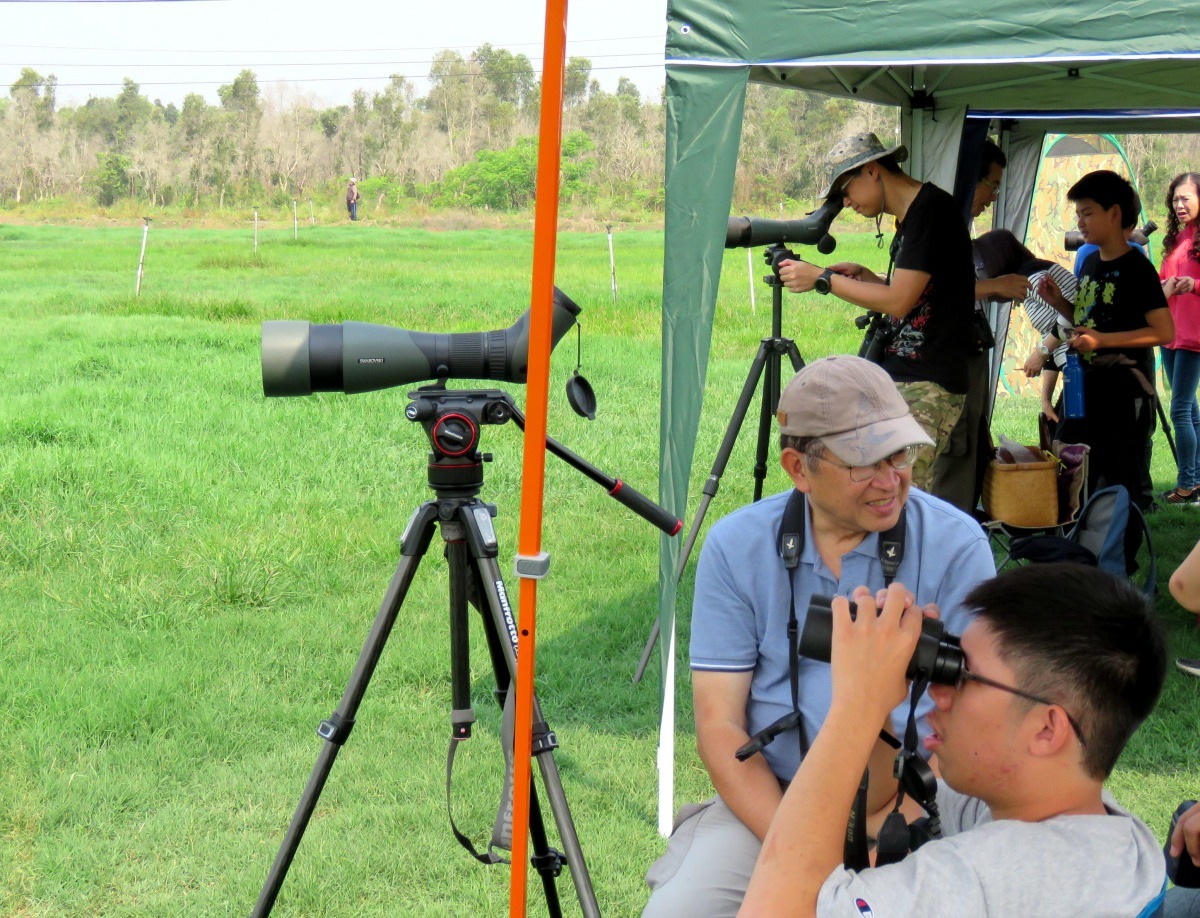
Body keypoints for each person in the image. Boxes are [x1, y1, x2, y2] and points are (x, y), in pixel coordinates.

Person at [642, 356, 996, 917]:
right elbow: (719, 724)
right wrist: (803, 848)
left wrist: (891, 828)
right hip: (775, 797)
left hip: (920, 797)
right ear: (798, 469)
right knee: (679, 911)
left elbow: (981, 717)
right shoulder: (736, 547)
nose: (891, 481)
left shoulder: (957, 545)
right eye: (865, 463)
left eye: (899, 454)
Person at [740, 562, 1169, 917]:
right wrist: (881, 694)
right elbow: (885, 806)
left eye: (964, 676)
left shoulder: (983, 877)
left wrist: (856, 705)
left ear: (1046, 729)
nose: (938, 692)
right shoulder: (1107, 833)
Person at [778, 133, 976, 494]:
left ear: (871, 170)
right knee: (874, 490)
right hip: (905, 375)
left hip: (929, 382)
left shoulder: (930, 212)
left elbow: (898, 302)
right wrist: (868, 278)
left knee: (898, 494)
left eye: (845, 189)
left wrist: (823, 279)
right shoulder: (913, 215)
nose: (846, 202)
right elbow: (923, 292)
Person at [1038, 170, 1174, 511]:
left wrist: (1103, 341)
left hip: (1124, 393)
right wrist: (1059, 303)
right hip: (1086, 386)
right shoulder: (1089, 262)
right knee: (1078, 475)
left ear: (1114, 213)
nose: (1080, 222)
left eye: (1087, 213)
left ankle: (1119, 543)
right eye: (1078, 214)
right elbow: (1089, 321)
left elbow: (1164, 332)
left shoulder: (1138, 268)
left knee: (1120, 482)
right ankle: (1084, 538)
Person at [931, 140, 1022, 513]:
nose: (994, 197)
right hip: (948, 364)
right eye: (992, 185)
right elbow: (928, 290)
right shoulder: (934, 227)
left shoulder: (958, 230)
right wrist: (992, 286)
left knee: (971, 446)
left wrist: (992, 290)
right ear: (970, 180)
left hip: (969, 357)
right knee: (954, 454)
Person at [971, 229, 1078, 424]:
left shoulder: (1035, 279)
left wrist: (1041, 352)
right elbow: (1055, 338)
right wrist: (1046, 400)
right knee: (1060, 431)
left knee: (1069, 435)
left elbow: (1075, 316)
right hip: (1072, 370)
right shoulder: (1032, 278)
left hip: (1083, 368)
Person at [1158, 172, 1200, 505]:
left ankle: (1186, 486)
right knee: (1190, 410)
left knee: (1180, 411)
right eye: (1175, 199)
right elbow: (1162, 278)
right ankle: (1196, 480)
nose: (1179, 204)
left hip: (1193, 334)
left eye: (1185, 198)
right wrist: (1164, 285)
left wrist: (1194, 285)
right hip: (1170, 333)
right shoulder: (1175, 238)